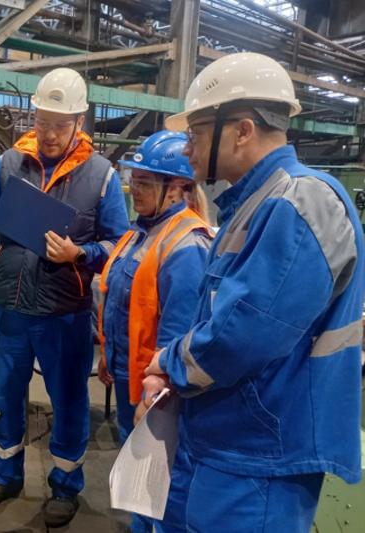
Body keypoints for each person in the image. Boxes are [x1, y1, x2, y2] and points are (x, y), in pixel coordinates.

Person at [142, 52, 364, 532]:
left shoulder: (300, 202)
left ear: (242, 131)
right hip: (230, 442)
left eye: (196, 135)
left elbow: (243, 334)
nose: (187, 150)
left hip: (262, 458)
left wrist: (169, 363)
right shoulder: (254, 205)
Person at [0, 67, 129, 527]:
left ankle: (65, 487)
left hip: (64, 316)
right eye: (42, 122)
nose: (49, 134)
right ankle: (7, 475)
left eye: (60, 125)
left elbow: (120, 245)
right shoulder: (8, 163)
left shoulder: (101, 176)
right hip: (8, 312)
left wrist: (81, 253)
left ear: (79, 122)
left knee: (69, 402)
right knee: (4, 395)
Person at [97, 131, 213, 533]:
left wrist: (157, 394)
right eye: (134, 179)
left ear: (177, 189)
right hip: (128, 374)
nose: (135, 189)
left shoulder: (186, 245)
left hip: (157, 388)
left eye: (146, 182)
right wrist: (108, 355)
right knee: (140, 478)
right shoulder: (139, 232)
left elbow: (178, 332)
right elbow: (120, 300)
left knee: (159, 483)